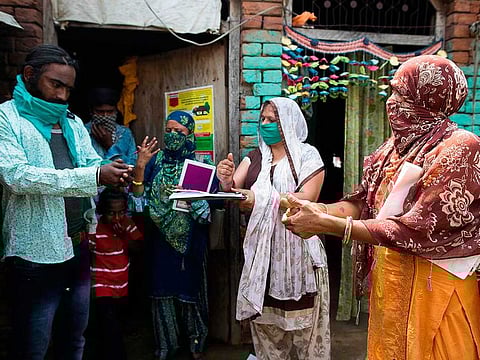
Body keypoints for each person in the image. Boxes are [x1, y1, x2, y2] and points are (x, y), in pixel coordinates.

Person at [284, 55, 480, 359]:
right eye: (392, 92)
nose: (391, 102)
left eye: (401, 94)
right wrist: (316, 211)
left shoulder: (459, 147)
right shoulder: (390, 150)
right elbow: (363, 204)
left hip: (436, 287)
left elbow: (417, 229)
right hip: (392, 280)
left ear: (428, 97)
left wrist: (329, 226)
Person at [0, 44, 132, 360]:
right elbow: (18, 177)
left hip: (77, 243)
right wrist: (93, 176)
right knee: (33, 346)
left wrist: (112, 170)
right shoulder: (8, 118)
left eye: (68, 89)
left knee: (74, 340)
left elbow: (89, 162)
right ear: (30, 75)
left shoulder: (71, 121)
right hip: (34, 251)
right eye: (55, 84)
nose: (61, 95)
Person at [217, 97, 330, 359]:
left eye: (273, 120)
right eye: (263, 119)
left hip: (298, 258)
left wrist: (261, 200)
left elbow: (306, 199)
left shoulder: (306, 155)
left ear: (289, 122)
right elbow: (233, 192)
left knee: (306, 337)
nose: (265, 124)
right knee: (268, 334)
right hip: (263, 260)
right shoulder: (255, 157)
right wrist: (225, 181)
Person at [131, 110, 212, 360]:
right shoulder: (155, 161)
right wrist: (141, 166)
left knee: (191, 292)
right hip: (159, 240)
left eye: (179, 131)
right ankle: (166, 347)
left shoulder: (200, 165)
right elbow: (137, 200)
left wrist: (191, 195)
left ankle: (197, 344)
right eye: (169, 130)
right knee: (162, 292)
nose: (173, 135)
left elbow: (207, 212)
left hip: (191, 241)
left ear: (190, 134)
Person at [88, 187, 142, 360]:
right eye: (112, 213)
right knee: (110, 328)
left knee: (114, 325)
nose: (117, 217)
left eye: (120, 212)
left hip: (122, 285)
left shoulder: (126, 224)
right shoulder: (94, 229)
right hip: (101, 286)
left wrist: (124, 234)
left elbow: (138, 247)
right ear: (103, 211)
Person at [85, 87, 137, 165]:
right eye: (100, 112)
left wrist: (110, 146)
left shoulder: (125, 133)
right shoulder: (83, 131)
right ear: (91, 111)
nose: (105, 116)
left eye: (110, 112)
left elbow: (132, 165)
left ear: (116, 111)